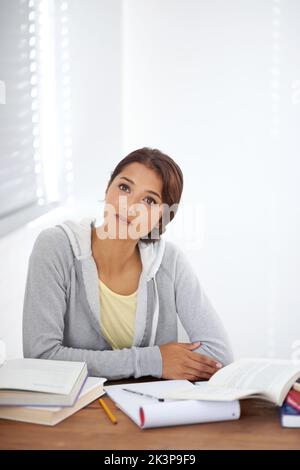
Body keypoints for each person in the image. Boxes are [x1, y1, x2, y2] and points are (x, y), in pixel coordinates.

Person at [23, 147, 234, 380]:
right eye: (124, 187)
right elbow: (41, 357)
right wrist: (154, 361)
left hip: (151, 410)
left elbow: (219, 357)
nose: (129, 206)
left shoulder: (169, 261)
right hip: (78, 412)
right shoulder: (57, 247)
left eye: (149, 200)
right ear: (108, 189)